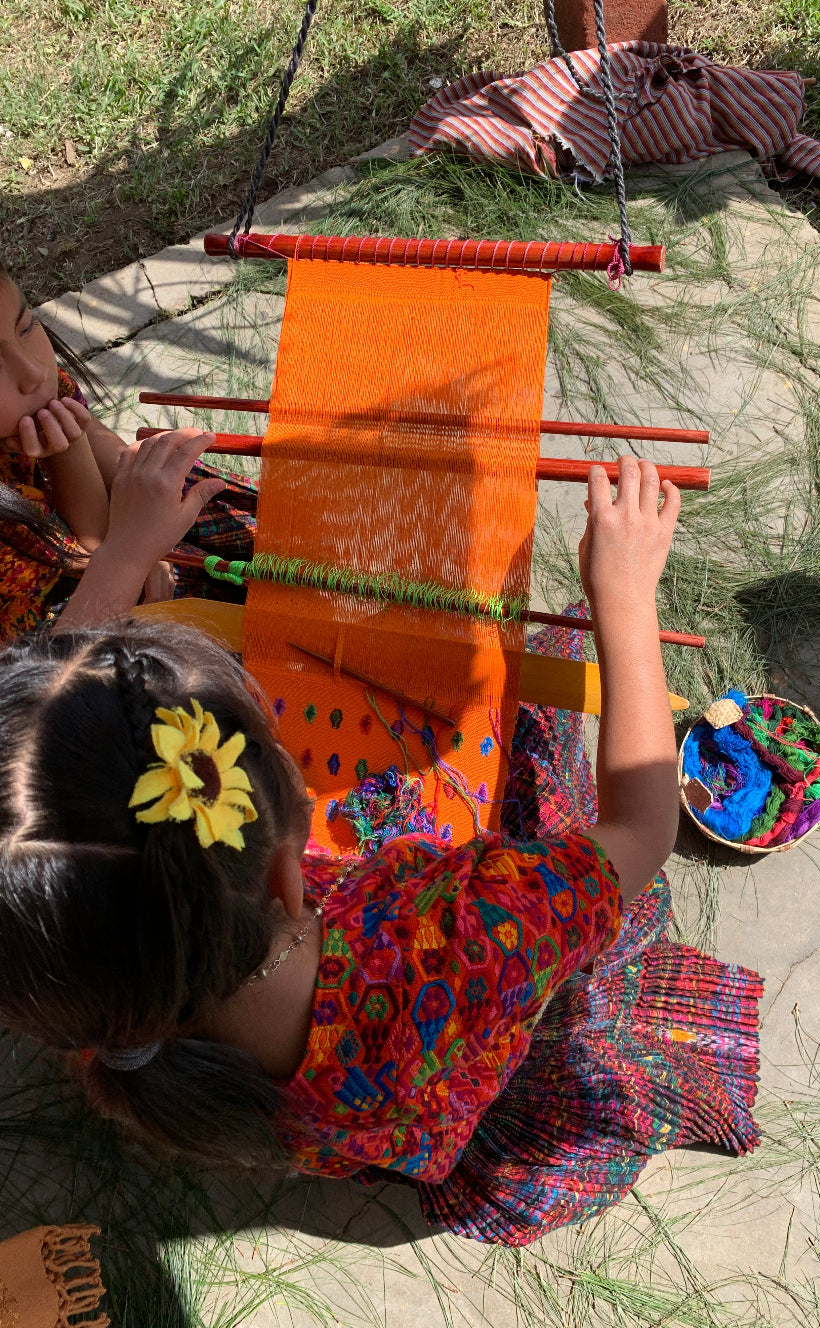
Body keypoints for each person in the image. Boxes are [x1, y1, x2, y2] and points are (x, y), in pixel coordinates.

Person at [0, 430, 762, 1245]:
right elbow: (641, 829)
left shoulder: (76, 971)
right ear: (289, 874)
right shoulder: (474, 932)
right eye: (276, 747)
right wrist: (627, 598)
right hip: (452, 1070)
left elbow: (29, 775)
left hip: (347, 1124)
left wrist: (123, 555)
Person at [0, 262, 257, 643]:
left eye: (25, 327)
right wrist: (134, 552)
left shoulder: (30, 401)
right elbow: (91, 558)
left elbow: (97, 443)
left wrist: (142, 476)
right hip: (64, 635)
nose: (34, 373)